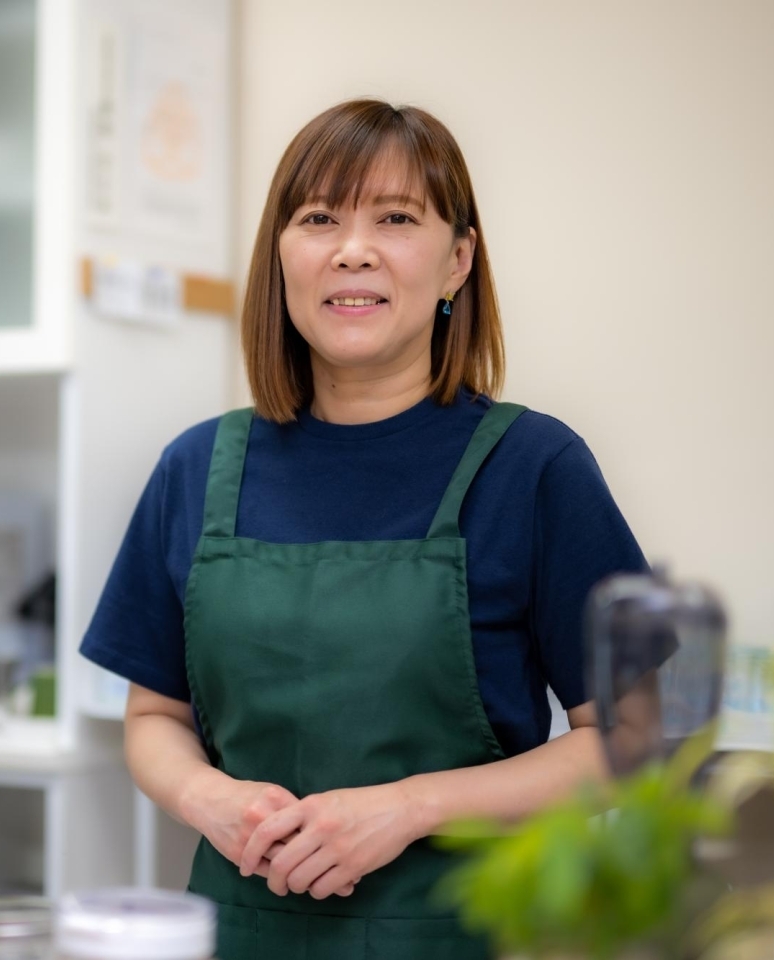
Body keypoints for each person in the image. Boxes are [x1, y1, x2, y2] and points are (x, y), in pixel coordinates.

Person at [80, 98, 649, 959]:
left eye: (395, 218)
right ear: (281, 255)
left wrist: (408, 807)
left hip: (464, 933)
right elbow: (154, 714)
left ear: (458, 260)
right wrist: (210, 800)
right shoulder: (195, 470)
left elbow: (632, 739)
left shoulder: (534, 467)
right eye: (318, 218)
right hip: (240, 934)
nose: (353, 248)